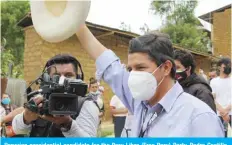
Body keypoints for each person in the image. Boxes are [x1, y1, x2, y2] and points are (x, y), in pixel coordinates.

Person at [76, 24, 224, 137]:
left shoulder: (199, 117)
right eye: (130, 69)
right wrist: (74, 22)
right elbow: (108, 64)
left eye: (140, 68)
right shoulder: (140, 102)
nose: (133, 76)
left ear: (166, 68)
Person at [12, 54, 99, 137]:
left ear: (78, 78)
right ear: (47, 78)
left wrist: (68, 125)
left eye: (68, 75)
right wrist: (25, 118)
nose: (62, 80)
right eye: (56, 76)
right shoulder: (40, 100)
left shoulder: (86, 104)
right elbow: (16, 129)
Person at [210, 57, 231, 137]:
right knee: (222, 137)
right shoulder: (214, 81)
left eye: (230, 65)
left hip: (230, 111)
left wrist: (226, 110)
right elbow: (213, 98)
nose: (229, 67)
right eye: (226, 65)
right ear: (219, 67)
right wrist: (223, 112)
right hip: (219, 114)